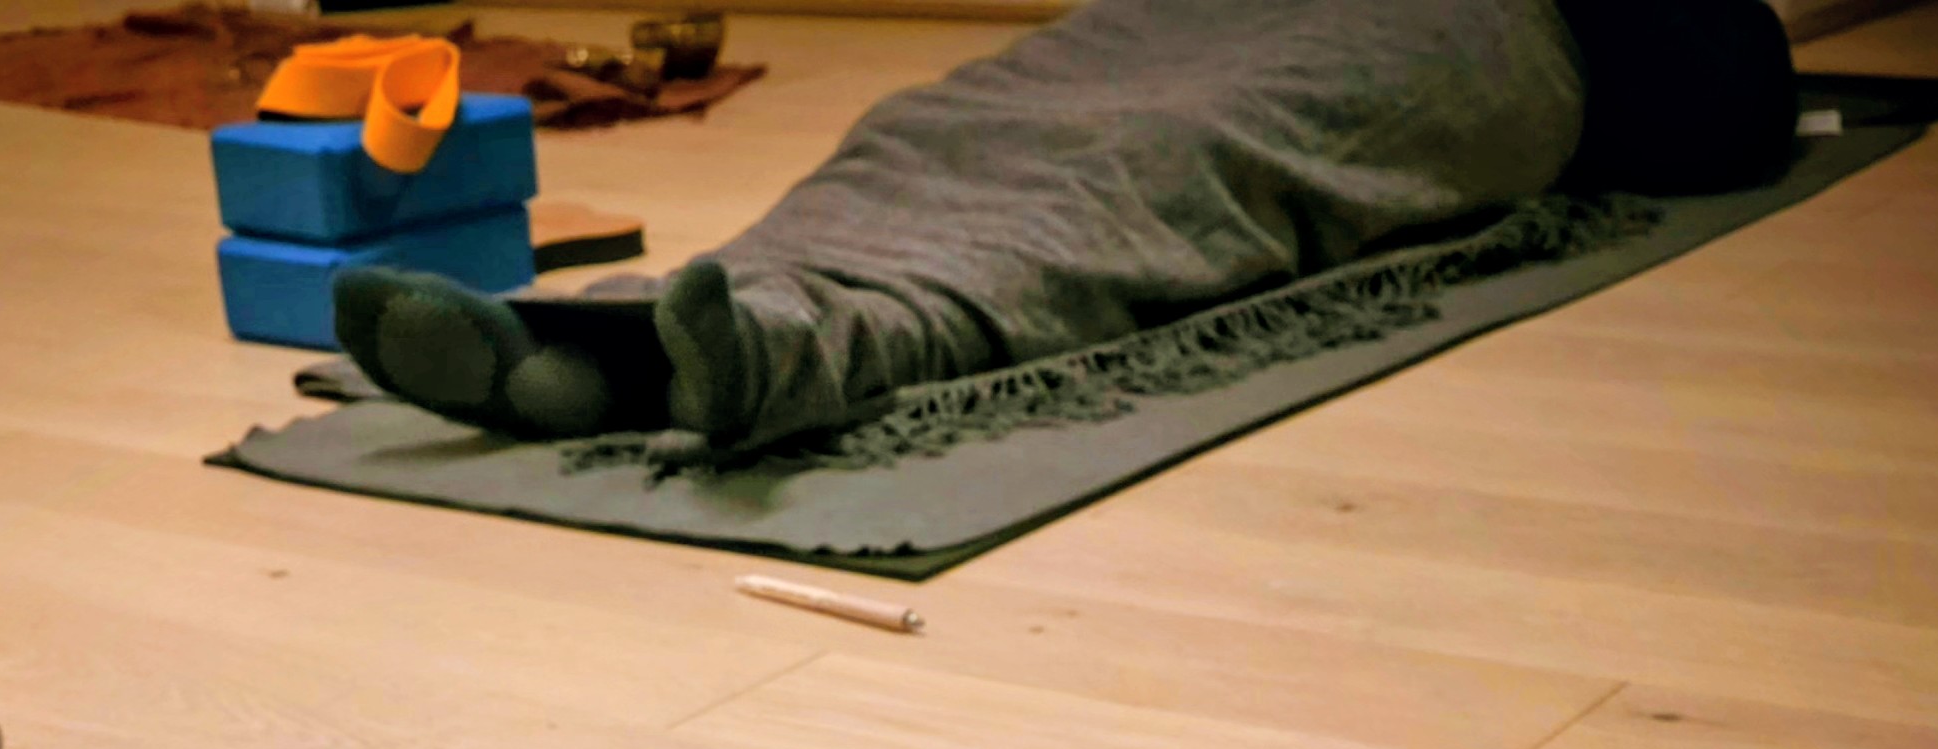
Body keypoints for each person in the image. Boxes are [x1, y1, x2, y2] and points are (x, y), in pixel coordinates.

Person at [333, 0, 1795, 451]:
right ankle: (604, 344)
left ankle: (795, 347)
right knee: (952, 123)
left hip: (1475, 41)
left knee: (1163, 158)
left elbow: (1724, 104)